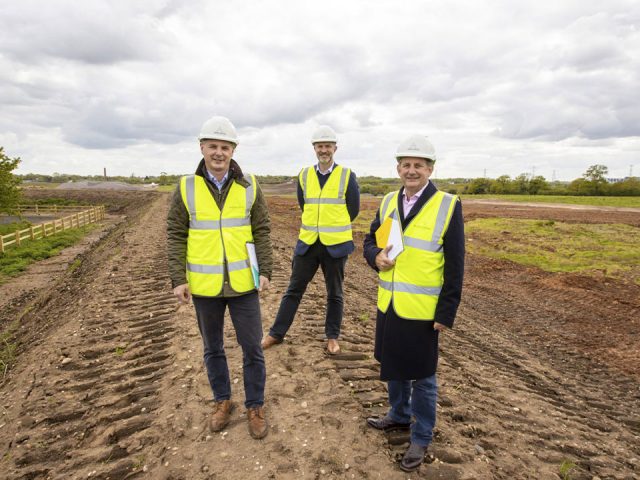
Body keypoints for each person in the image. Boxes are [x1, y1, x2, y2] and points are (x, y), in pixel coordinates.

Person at [362, 135, 464, 472]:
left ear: (430, 169)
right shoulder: (389, 201)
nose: (411, 170)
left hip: (423, 310)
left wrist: (446, 312)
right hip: (390, 302)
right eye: (406, 164)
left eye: (418, 165)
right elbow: (369, 240)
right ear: (398, 168)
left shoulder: (447, 205)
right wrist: (375, 256)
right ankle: (398, 415)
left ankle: (420, 436)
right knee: (392, 364)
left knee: (423, 377)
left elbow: (455, 264)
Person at [166, 116, 273, 439]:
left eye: (224, 147)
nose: (218, 152)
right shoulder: (187, 187)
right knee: (213, 348)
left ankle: (254, 405)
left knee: (252, 347)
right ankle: (223, 401)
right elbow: (175, 233)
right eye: (212, 146)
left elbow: (262, 230)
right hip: (205, 286)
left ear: (233, 150)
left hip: (243, 284)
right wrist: (177, 278)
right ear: (202, 148)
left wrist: (265, 270)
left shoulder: (250, 185)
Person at [262, 126, 360, 355]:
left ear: (335, 148)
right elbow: (303, 204)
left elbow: (352, 210)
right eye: (320, 146)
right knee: (293, 290)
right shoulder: (304, 175)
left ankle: (332, 337)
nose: (324, 150)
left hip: (335, 246)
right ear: (314, 148)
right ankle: (276, 334)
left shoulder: (347, 175)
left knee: (335, 293)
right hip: (307, 244)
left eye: (328, 146)